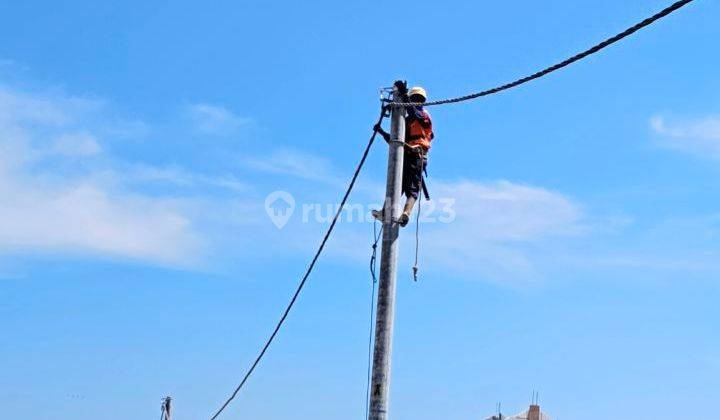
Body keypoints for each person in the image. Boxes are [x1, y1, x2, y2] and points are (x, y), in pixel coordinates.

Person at [373, 82, 434, 227]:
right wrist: (381, 132)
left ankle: (405, 213)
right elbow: (395, 141)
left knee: (409, 188)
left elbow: (414, 112)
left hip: (417, 155)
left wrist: (405, 95)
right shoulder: (406, 121)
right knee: (398, 186)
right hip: (407, 155)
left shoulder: (423, 115)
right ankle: (387, 212)